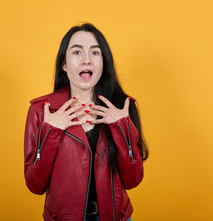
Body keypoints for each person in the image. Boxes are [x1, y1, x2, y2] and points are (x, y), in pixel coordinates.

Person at [24, 23, 148, 221]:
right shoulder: (42, 110)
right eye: (77, 52)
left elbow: (133, 180)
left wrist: (121, 126)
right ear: (64, 64)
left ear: (103, 62)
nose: (86, 60)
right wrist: (51, 130)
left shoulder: (122, 107)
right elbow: (35, 185)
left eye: (95, 53)